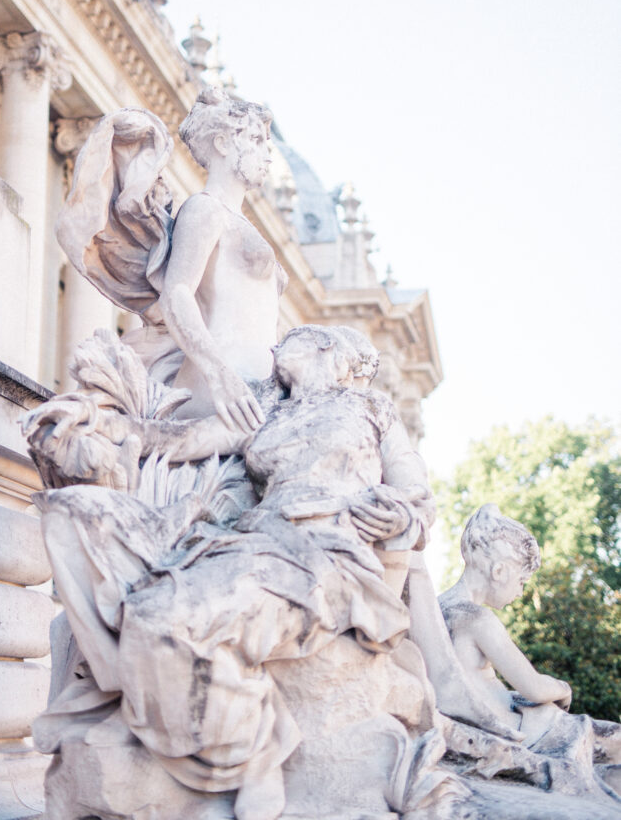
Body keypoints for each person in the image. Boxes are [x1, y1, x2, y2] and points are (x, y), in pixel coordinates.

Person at [33, 325, 434, 820]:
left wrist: (402, 515)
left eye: (288, 340)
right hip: (251, 539)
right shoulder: (266, 408)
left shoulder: (371, 409)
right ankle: (234, 736)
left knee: (169, 621)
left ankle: (252, 753)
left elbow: (416, 491)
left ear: (327, 346)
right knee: (96, 546)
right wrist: (94, 419)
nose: (272, 347)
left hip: (324, 550)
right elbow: (177, 440)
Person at [56, 87, 285, 435]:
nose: (266, 154)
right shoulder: (206, 209)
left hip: (256, 394)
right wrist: (220, 374)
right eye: (255, 140)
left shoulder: (237, 219)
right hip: (223, 395)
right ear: (223, 144)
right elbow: (177, 293)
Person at [439, 504, 621, 778]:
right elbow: (533, 687)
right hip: (525, 731)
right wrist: (562, 688)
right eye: (522, 581)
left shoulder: (436, 609)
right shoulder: (476, 618)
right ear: (499, 571)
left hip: (487, 728)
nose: (521, 591)